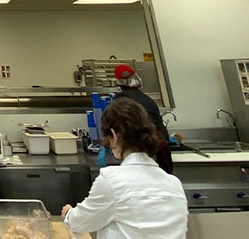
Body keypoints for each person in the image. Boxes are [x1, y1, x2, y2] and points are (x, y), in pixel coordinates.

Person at [62, 96, 188, 239]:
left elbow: (79, 222)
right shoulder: (174, 184)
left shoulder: (112, 181)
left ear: (115, 136)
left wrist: (68, 214)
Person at [113, 64, 173, 173]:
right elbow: (161, 127)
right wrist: (167, 140)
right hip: (160, 148)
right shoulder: (148, 99)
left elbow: (117, 127)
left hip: (142, 150)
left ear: (118, 82)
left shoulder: (120, 101)